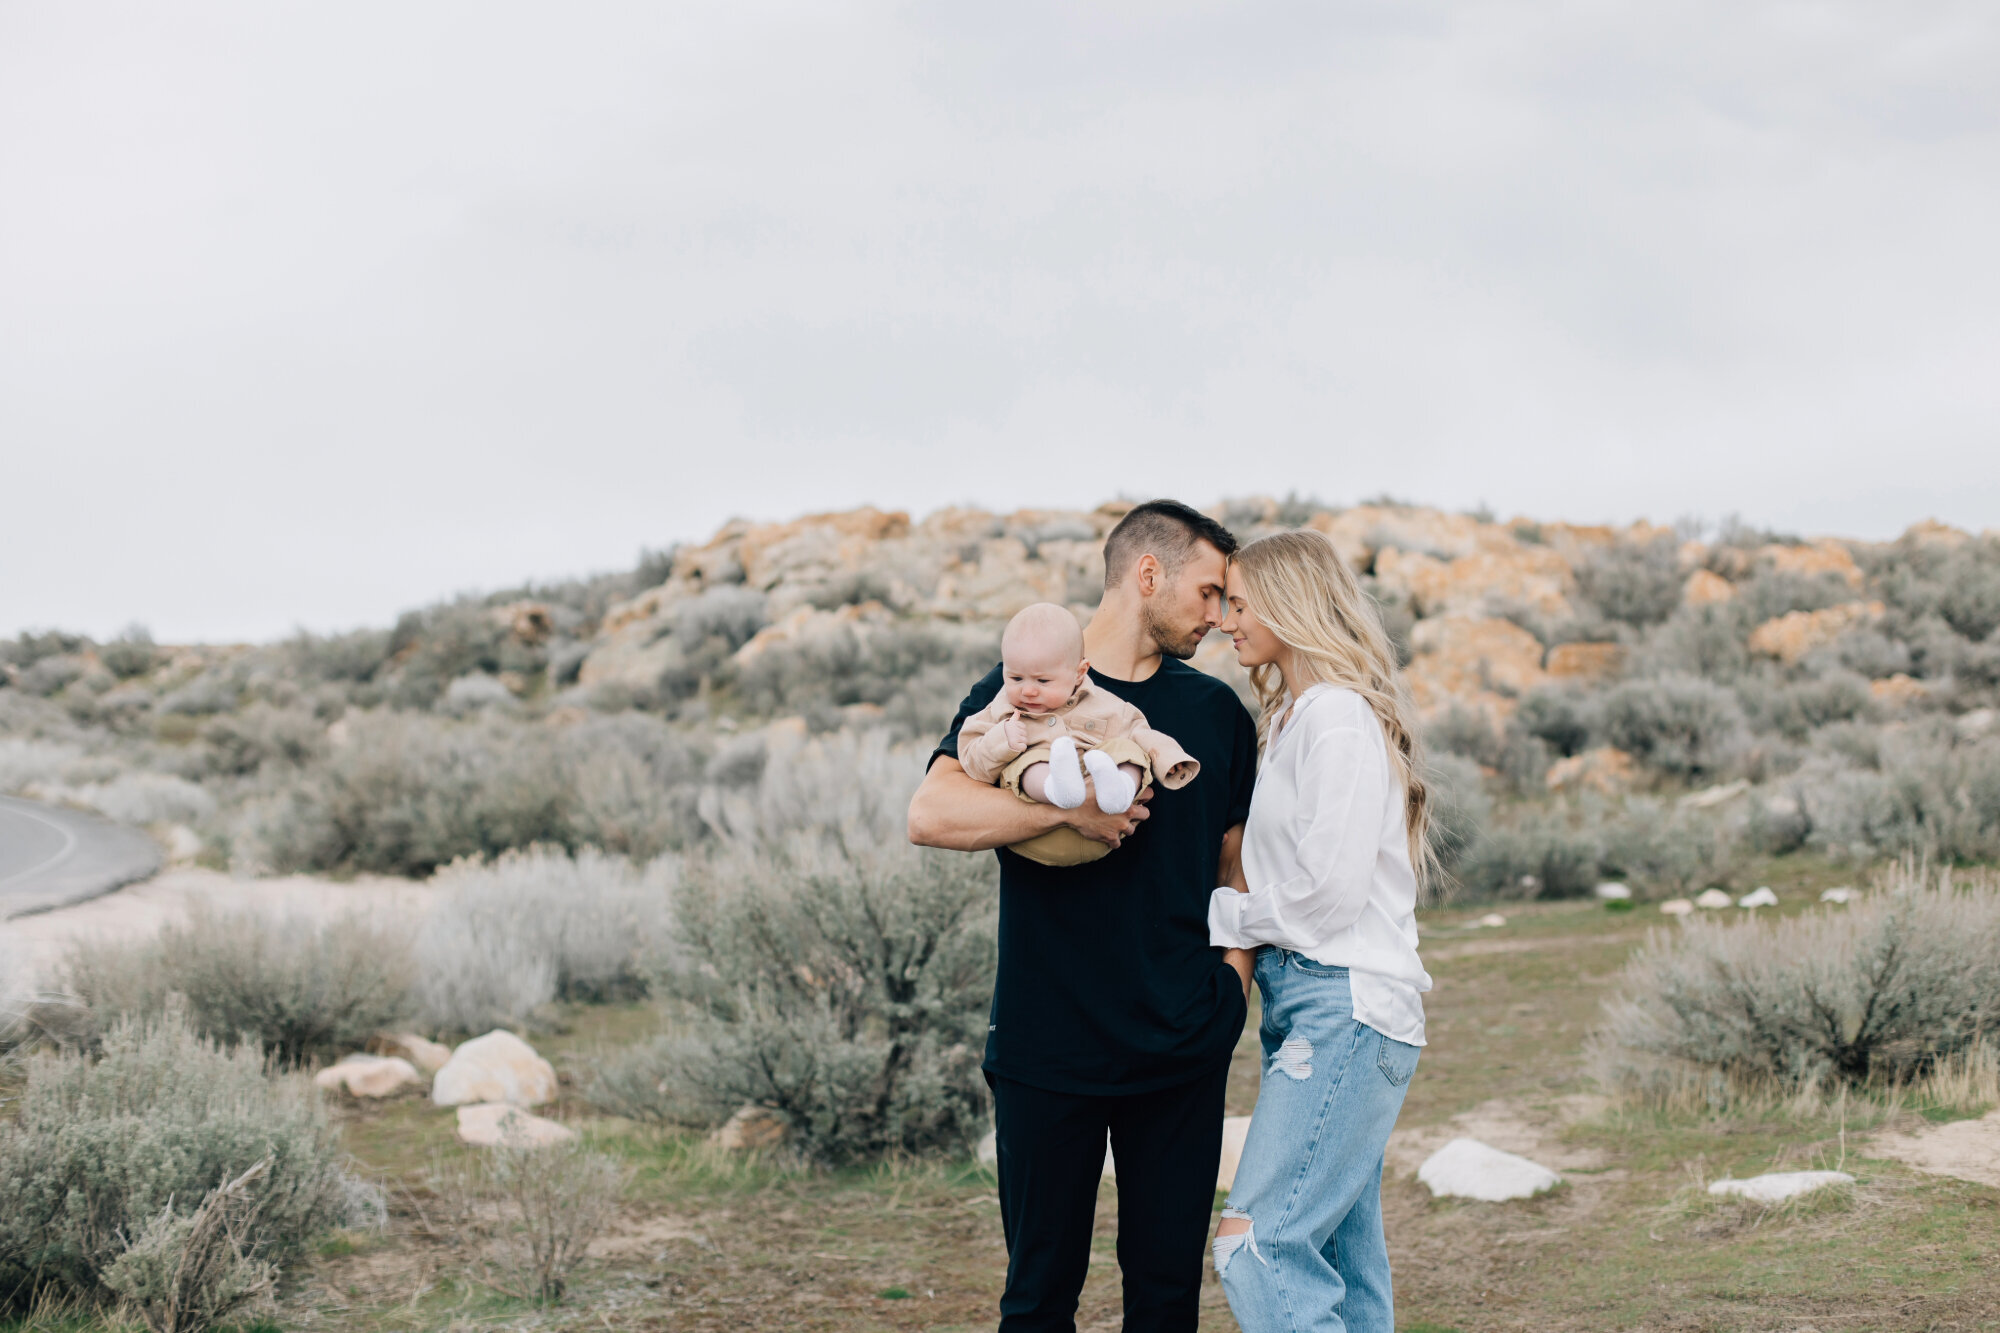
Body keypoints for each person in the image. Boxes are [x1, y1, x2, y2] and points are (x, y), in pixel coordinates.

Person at [908, 500, 1260, 1333]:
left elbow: (1237, 863)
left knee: (1167, 1301)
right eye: (1208, 592)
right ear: (1149, 575)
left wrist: (1231, 990)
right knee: (1037, 1302)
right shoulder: (1023, 690)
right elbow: (932, 813)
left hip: (1180, 1045)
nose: (1217, 616)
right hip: (1045, 1047)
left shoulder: (1214, 713)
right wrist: (1066, 815)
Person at [1204, 529, 1435, 1333]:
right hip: (1320, 1008)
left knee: (1253, 1243)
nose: (1225, 620)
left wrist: (1217, 917)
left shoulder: (1335, 716)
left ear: (1290, 601)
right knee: (1341, 1258)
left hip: (1343, 1005)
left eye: (1239, 601)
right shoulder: (1296, 717)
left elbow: (1324, 897)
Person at [956, 601, 1202, 865]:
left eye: (1042, 681)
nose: (1028, 690)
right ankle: (1056, 788)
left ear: (1079, 673)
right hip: (1041, 837)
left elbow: (1142, 733)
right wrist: (1001, 740)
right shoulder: (1000, 710)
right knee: (1029, 763)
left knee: (1129, 751)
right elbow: (971, 758)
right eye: (1016, 678)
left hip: (1105, 831)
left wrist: (1170, 759)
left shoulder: (1106, 705)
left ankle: (1118, 790)